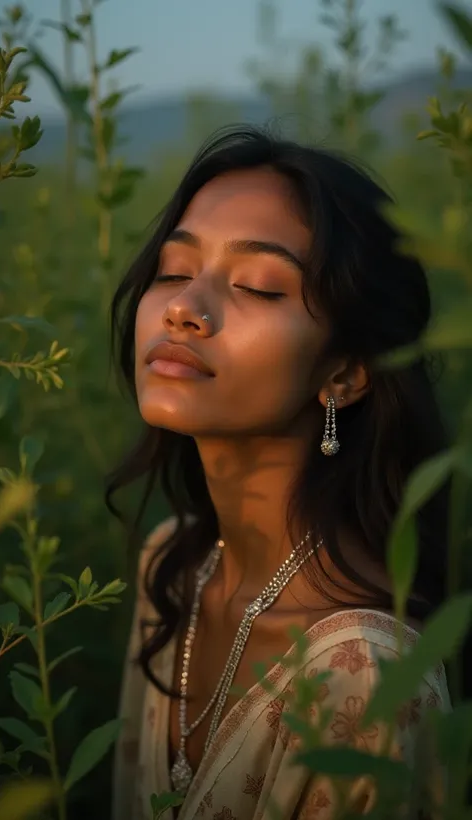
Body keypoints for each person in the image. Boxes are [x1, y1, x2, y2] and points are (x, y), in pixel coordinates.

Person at [106, 126, 451, 820]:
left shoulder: (367, 682)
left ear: (346, 373)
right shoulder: (173, 567)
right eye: (173, 271)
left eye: (257, 286)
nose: (182, 308)